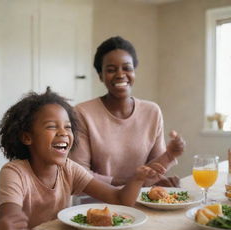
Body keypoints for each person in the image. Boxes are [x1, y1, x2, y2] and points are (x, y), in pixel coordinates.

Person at [0, 87, 167, 229]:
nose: (63, 133)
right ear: (27, 137)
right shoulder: (15, 173)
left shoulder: (68, 169)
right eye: (52, 127)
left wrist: (137, 179)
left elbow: (119, 199)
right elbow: (8, 226)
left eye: (68, 128)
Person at [70, 36, 185, 187]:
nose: (120, 74)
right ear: (100, 76)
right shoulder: (82, 113)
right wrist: (130, 185)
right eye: (111, 70)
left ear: (134, 72)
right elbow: (79, 174)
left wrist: (171, 154)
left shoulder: (152, 111)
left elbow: (154, 171)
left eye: (127, 68)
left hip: (140, 201)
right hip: (96, 203)